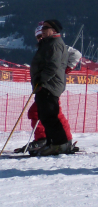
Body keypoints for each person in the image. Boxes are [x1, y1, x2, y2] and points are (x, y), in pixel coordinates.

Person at [29, 19, 71, 156]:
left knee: (50, 115)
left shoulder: (55, 44)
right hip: (45, 84)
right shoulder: (49, 43)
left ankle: (60, 143)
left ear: (53, 30)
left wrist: (42, 79)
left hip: (49, 85)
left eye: (45, 28)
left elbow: (53, 65)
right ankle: (51, 142)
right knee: (44, 115)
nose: (42, 30)